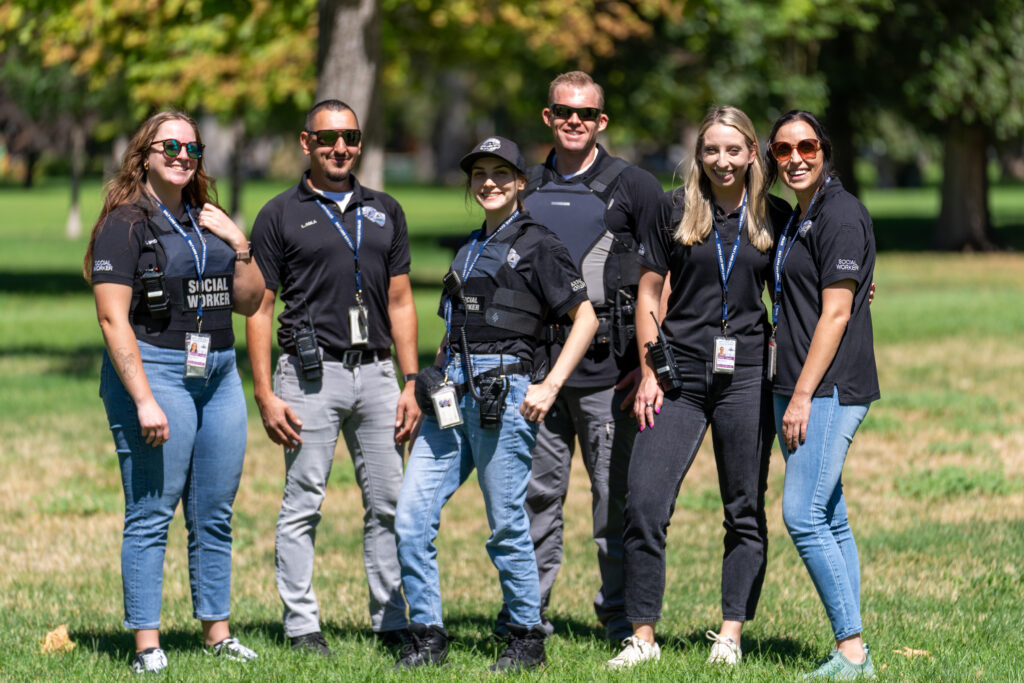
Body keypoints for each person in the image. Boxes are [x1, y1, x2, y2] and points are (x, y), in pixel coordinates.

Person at [394, 136, 598, 673]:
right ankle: (428, 633)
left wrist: (549, 385)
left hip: (504, 393)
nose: (489, 182)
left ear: (521, 182)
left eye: (501, 173)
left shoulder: (539, 244)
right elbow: (455, 327)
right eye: (480, 173)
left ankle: (526, 636)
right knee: (411, 518)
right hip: (451, 394)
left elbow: (586, 318)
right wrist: (431, 380)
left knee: (506, 522)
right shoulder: (468, 247)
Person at [607, 106, 790, 669]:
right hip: (677, 372)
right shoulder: (672, 209)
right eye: (711, 149)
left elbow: (810, 281)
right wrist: (649, 372)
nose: (722, 160)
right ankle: (642, 636)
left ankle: (731, 634)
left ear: (752, 154)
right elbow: (648, 295)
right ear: (699, 154)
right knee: (644, 503)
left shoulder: (775, 216)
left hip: (748, 374)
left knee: (743, 508)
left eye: (734, 150)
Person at [85, 110, 265, 674]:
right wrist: (143, 398)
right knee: (151, 511)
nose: (184, 156)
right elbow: (113, 320)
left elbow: (252, 299)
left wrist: (239, 241)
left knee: (214, 511)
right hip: (156, 369)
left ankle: (217, 633)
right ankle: (147, 645)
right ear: (145, 155)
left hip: (218, 371)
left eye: (193, 147)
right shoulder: (126, 223)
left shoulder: (205, 218)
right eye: (171, 146)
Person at [246, 99, 419, 655]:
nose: (339, 148)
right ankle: (302, 627)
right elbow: (259, 308)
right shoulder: (278, 213)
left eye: (349, 137)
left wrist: (412, 381)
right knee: (304, 503)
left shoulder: (385, 209)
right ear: (306, 143)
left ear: (360, 142)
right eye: (327, 139)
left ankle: (392, 622)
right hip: (308, 376)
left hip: (378, 376)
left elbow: (400, 299)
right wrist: (265, 393)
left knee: (390, 504)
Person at [496, 70, 664, 642]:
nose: (574, 121)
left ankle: (618, 615)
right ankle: (528, 614)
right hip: (534, 371)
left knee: (611, 505)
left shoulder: (635, 185)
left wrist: (647, 363)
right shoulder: (522, 183)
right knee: (536, 498)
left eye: (585, 114)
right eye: (563, 111)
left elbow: (659, 278)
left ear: (602, 122)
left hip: (608, 376)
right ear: (548, 116)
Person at [765, 110, 879, 680]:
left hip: (829, 387)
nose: (795, 158)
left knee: (802, 514)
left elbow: (835, 314)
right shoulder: (797, 217)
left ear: (824, 150)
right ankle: (854, 653)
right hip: (803, 383)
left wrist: (802, 394)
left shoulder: (839, 213)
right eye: (783, 150)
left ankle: (852, 652)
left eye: (806, 146)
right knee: (830, 516)